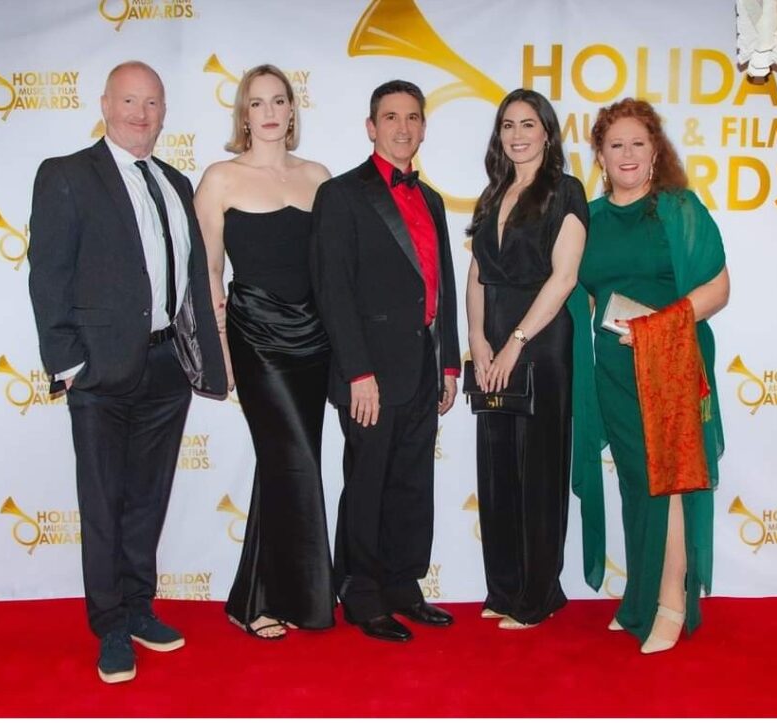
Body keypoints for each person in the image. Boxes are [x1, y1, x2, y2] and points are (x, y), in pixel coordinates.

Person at [28, 61, 227, 683]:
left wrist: (206, 360)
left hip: (167, 366)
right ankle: (109, 624)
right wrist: (69, 364)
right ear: (106, 105)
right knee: (105, 503)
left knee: (148, 499)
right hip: (101, 374)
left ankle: (139, 606)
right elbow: (48, 276)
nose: (141, 115)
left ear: (164, 113)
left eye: (152, 104)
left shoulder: (175, 179)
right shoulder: (66, 175)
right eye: (130, 102)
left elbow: (193, 278)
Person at [576, 97, 729, 654]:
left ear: (656, 149)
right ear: (600, 153)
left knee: (672, 480)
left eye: (638, 142)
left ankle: (672, 601)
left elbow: (717, 288)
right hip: (614, 370)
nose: (627, 154)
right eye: (615, 144)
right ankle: (640, 597)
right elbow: (570, 292)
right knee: (638, 483)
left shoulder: (680, 209)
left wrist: (660, 325)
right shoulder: (587, 219)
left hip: (672, 363)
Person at [310, 79, 461, 643]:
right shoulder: (342, 194)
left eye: (413, 117)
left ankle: (403, 586)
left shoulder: (433, 200)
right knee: (368, 481)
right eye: (391, 117)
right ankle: (363, 593)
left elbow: (440, 282)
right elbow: (334, 290)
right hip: (369, 370)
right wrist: (357, 374)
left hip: (423, 364)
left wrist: (448, 363)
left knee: (412, 481)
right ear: (371, 127)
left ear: (423, 127)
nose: (403, 127)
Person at [194, 64, 334, 640]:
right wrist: (220, 349)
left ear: (293, 110)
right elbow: (207, 275)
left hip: (314, 338)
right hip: (255, 338)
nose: (270, 111)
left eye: (279, 100)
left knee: (286, 465)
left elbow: (330, 271)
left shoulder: (319, 176)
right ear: (243, 115)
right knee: (291, 461)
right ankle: (295, 599)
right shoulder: (220, 178)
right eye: (257, 103)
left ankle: (253, 596)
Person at [464, 89, 588, 630]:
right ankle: (504, 587)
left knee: (538, 468)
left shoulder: (566, 191)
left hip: (539, 341)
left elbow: (564, 279)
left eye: (528, 124)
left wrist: (515, 341)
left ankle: (539, 596)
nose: (517, 134)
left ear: (547, 133)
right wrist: (479, 337)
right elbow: (476, 274)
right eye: (508, 125)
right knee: (496, 467)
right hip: (494, 343)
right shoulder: (492, 195)